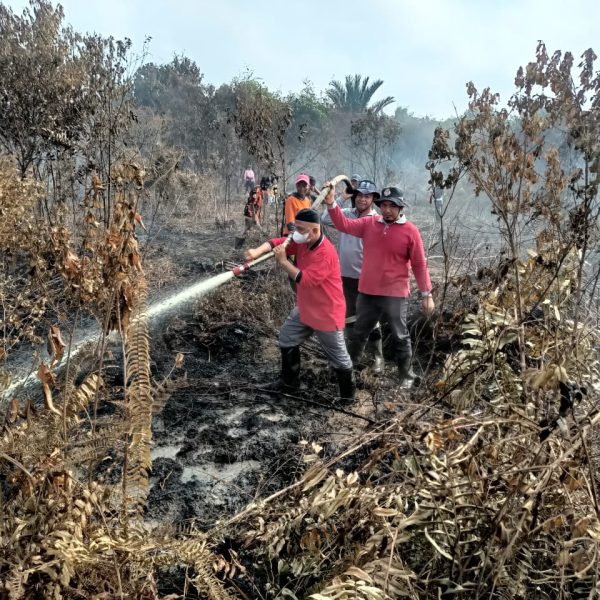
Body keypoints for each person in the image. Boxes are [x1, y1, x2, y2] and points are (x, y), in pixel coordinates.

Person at [323, 185, 434, 388]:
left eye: (392, 206)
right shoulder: (369, 223)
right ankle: (348, 370)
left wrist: (427, 294)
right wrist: (331, 203)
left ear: (401, 208)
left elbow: (419, 264)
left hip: (395, 294)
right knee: (358, 332)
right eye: (383, 205)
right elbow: (344, 225)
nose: (387, 210)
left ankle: (406, 377)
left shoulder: (411, 232)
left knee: (400, 335)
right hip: (368, 292)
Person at [245, 208, 355, 402]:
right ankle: (289, 383)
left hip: (326, 314)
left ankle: (348, 398)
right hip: (306, 308)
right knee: (287, 338)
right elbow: (278, 242)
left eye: (301, 229)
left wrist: (283, 262)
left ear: (315, 231)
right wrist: (257, 251)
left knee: (340, 359)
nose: (296, 233)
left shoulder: (326, 253)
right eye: (296, 227)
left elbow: (306, 280)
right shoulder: (303, 241)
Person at [321, 179, 384, 373]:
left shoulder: (376, 220)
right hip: (345, 275)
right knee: (349, 316)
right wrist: (340, 198)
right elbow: (325, 219)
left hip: (365, 277)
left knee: (368, 318)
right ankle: (351, 356)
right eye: (359, 195)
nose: (362, 200)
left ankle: (376, 358)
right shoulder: (347, 214)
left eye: (367, 196)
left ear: (373, 199)